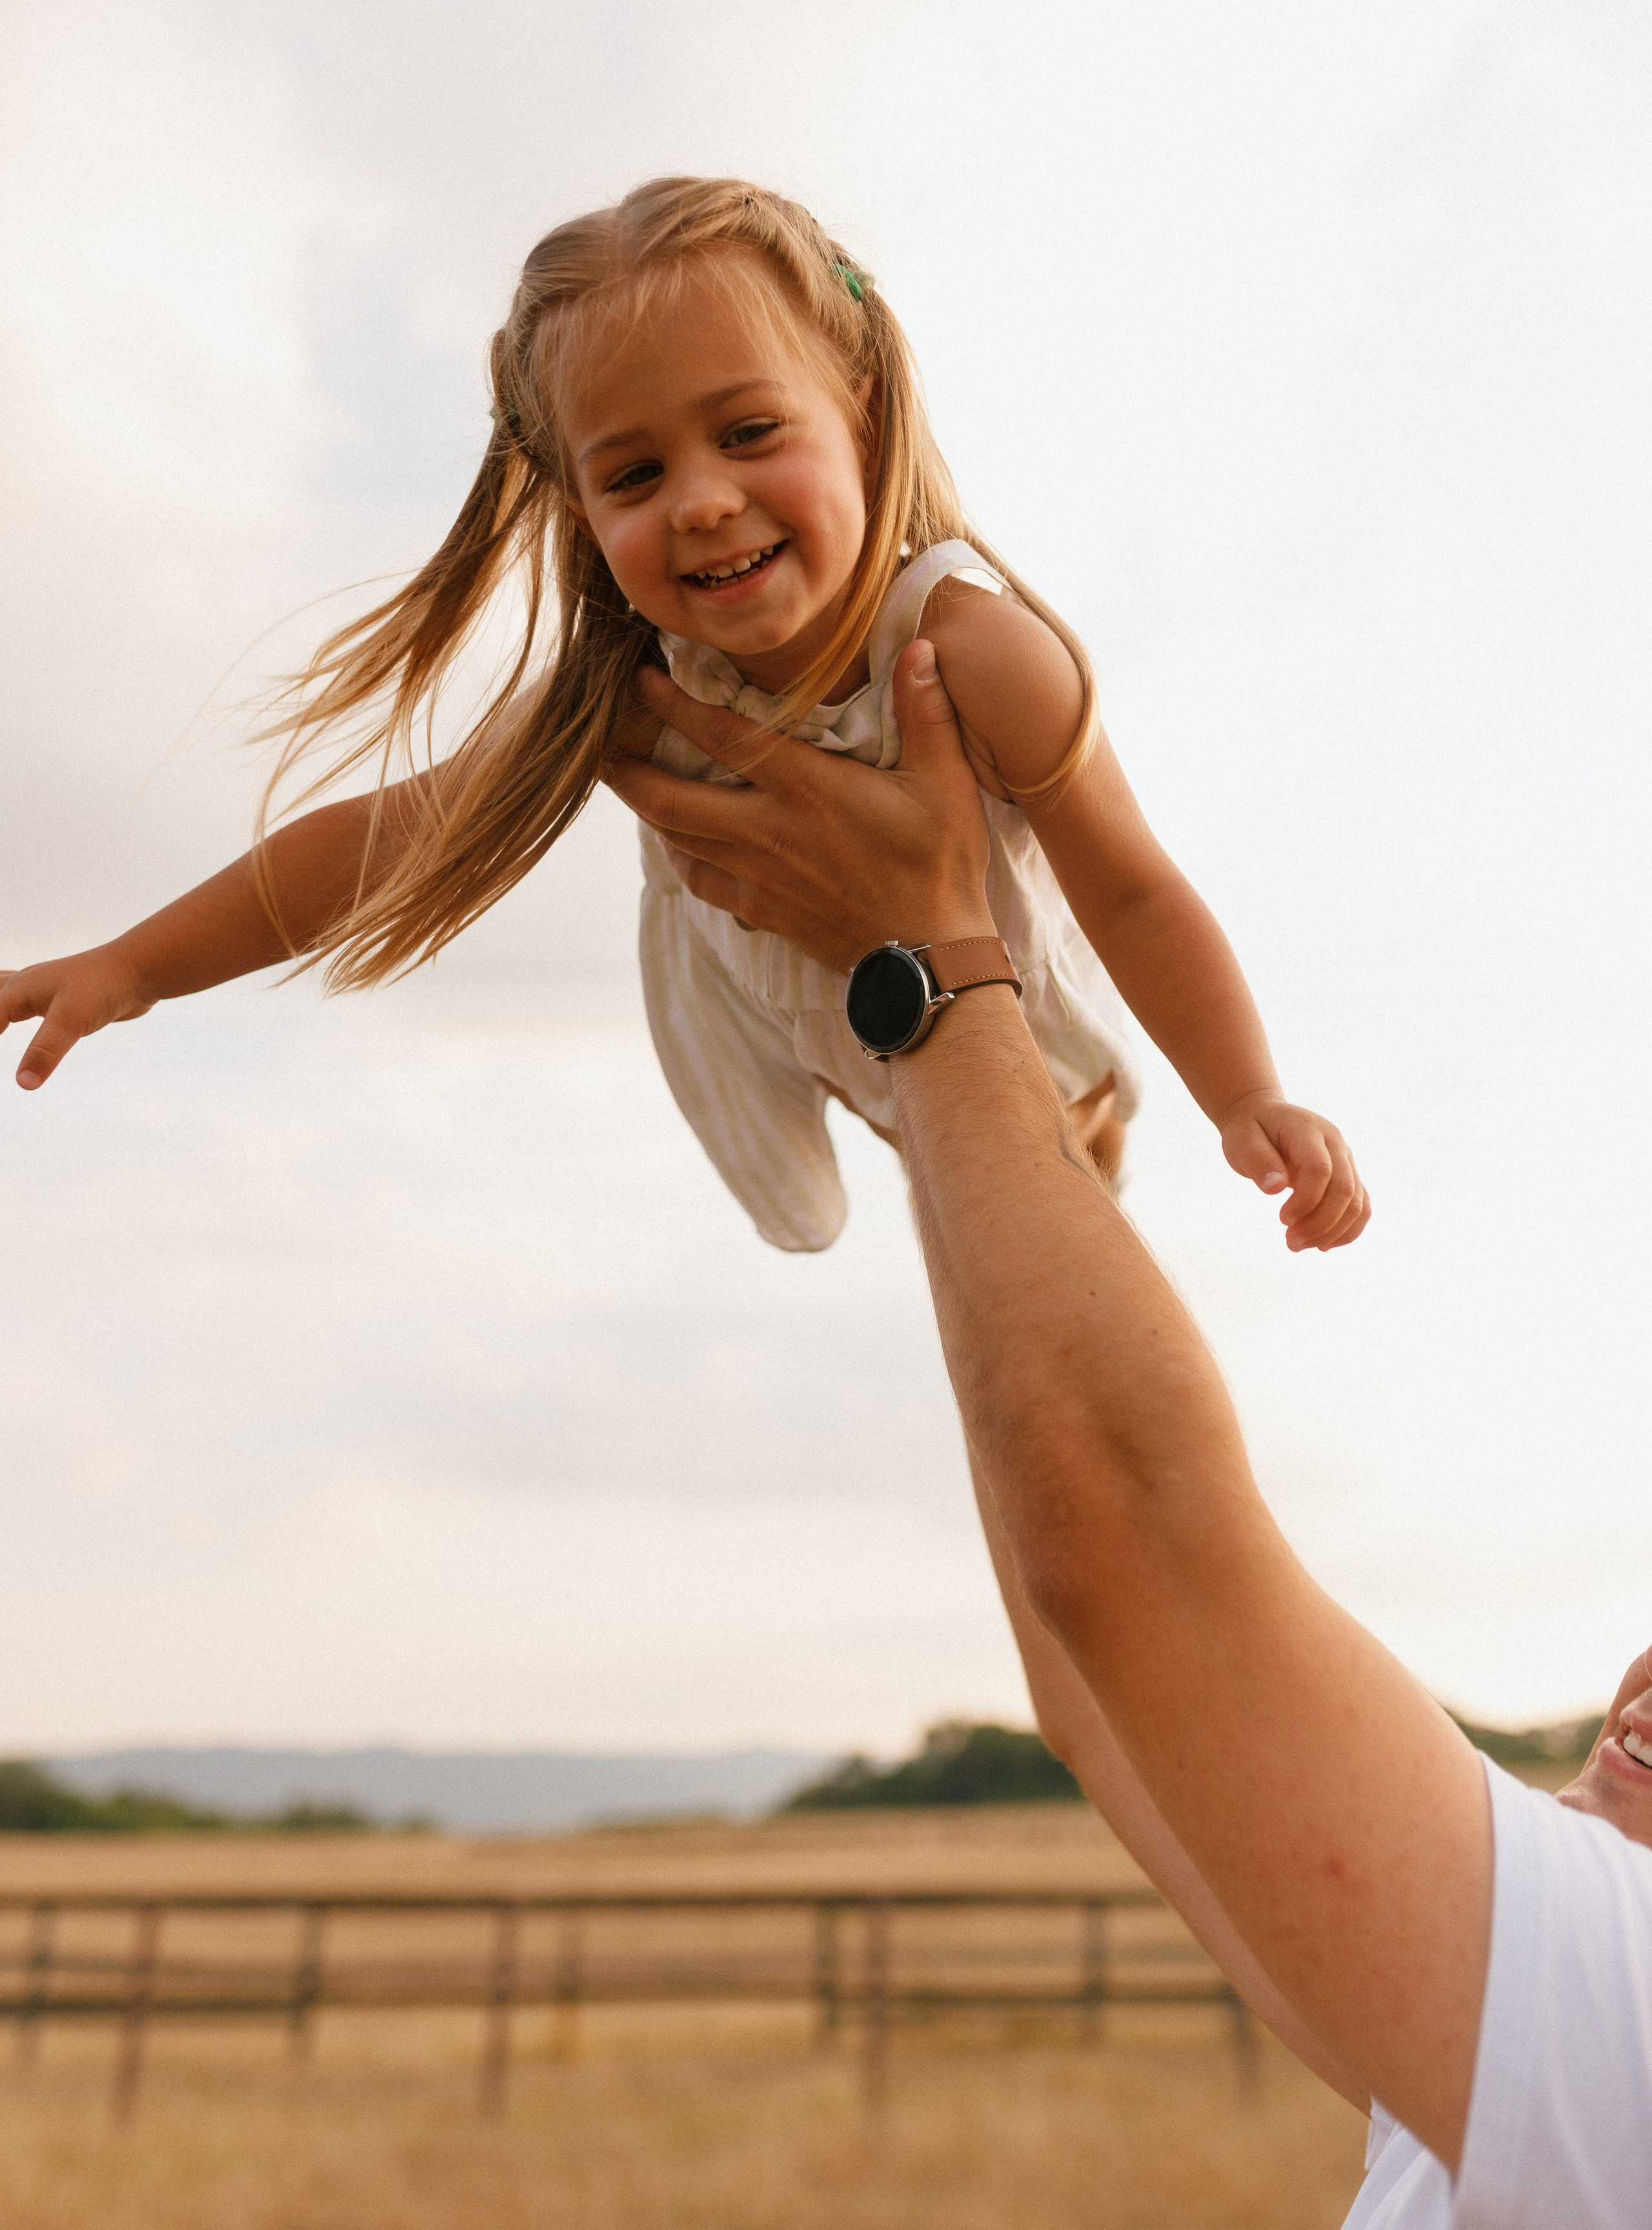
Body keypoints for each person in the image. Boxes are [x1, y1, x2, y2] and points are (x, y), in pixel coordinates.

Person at [606, 643, 1652, 2230]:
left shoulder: (1623, 2032)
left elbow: (1129, 1554)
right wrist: (962, 1132)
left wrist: (935, 974)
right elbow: (1109, 1701)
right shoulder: (1522, 2072)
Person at [0, 175, 1364, 1254]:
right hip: (756, 1005)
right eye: (636, 471)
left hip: (989, 1016)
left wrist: (1246, 1096)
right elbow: (397, 836)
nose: (702, 498)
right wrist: (136, 966)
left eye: (749, 433)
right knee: (806, 1213)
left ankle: (1055, 1153)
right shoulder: (631, 687)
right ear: (583, 517)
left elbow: (1128, 892)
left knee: (1028, 1179)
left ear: (863, 419)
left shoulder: (973, 651)